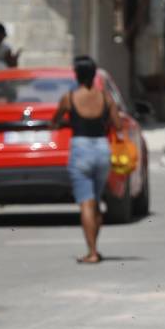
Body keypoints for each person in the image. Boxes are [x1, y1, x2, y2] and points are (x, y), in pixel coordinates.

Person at [53, 55, 125, 264]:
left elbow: (55, 121)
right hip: (102, 149)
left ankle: (92, 252)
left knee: (86, 203)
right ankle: (95, 247)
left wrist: (61, 124)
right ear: (94, 75)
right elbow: (118, 125)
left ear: (77, 75)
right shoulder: (105, 97)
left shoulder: (69, 98)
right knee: (96, 200)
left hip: (81, 149)